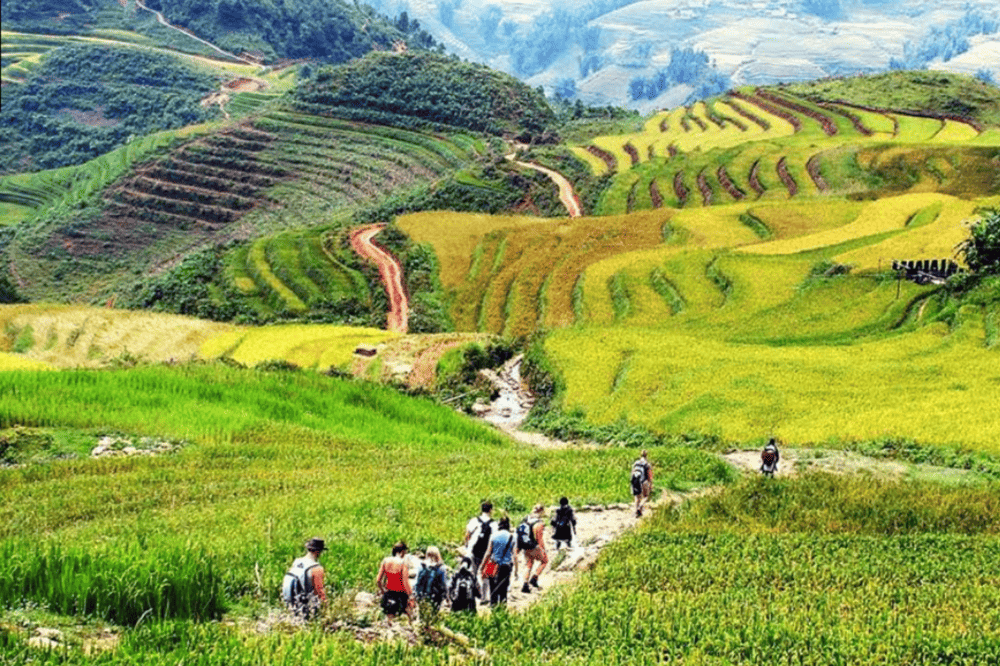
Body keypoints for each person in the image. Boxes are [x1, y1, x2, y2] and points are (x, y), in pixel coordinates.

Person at [281, 537, 327, 619]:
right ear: (318, 552)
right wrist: (326, 609)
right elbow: (319, 592)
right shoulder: (317, 568)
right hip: (305, 607)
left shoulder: (296, 561)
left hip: (291, 603)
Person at [464, 500, 496, 605]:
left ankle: (471, 595)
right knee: (487, 575)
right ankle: (484, 597)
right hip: (488, 553)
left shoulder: (474, 521)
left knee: (472, 573)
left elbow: (467, 534)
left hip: (473, 551)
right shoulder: (494, 524)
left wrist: (466, 545)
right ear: (491, 510)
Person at [479, 515, 516, 606]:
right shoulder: (512, 537)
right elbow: (515, 555)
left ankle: (493, 607)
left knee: (493, 589)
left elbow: (488, 552)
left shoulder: (493, 536)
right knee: (503, 589)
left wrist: (482, 565)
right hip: (506, 566)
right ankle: (502, 609)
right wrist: (516, 570)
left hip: (493, 565)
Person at [375, 541, 415, 622]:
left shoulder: (385, 561)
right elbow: (405, 582)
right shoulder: (403, 563)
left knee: (389, 619)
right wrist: (411, 596)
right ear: (403, 552)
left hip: (389, 593)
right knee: (408, 617)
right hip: (401, 595)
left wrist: (383, 591)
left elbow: (378, 580)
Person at [518, 504, 549, 594]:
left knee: (529, 565)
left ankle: (525, 585)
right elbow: (539, 539)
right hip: (534, 547)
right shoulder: (539, 523)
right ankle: (534, 578)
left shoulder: (526, 519)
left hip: (525, 546)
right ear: (541, 511)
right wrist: (543, 549)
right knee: (545, 561)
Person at [415, 546, 449, 612]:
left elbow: (416, 581)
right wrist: (447, 597)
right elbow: (444, 583)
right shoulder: (441, 568)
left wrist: (415, 594)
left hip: (422, 595)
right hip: (436, 597)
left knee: (422, 613)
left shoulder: (421, 566)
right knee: (434, 613)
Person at [631, 450, 653, 517]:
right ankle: (640, 507)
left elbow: (632, 472)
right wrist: (650, 485)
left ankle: (636, 512)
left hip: (635, 479)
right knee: (646, 496)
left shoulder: (636, 463)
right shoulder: (647, 464)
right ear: (646, 456)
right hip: (643, 480)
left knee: (637, 497)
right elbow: (649, 477)